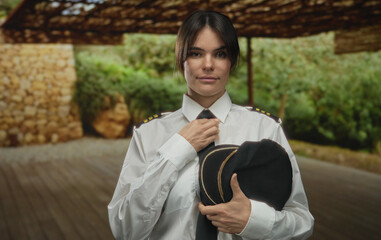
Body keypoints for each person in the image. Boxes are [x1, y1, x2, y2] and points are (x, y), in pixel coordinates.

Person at [108, 10, 314, 240]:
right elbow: (124, 230)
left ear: (231, 62)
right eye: (196, 53)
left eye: (220, 54)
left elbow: (302, 223)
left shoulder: (265, 129)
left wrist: (254, 221)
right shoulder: (148, 134)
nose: (208, 65)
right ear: (181, 59)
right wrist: (176, 150)